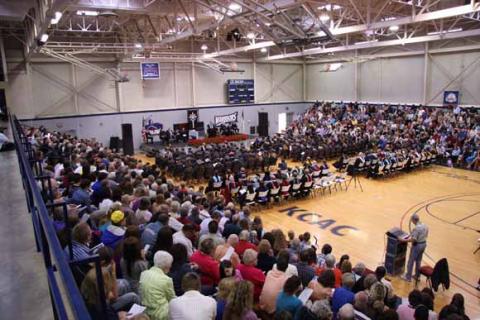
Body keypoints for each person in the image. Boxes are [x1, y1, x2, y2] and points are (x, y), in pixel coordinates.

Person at [139, 250, 176, 320]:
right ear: (167, 266)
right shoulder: (166, 280)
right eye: (170, 264)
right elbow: (172, 299)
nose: (171, 266)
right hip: (161, 315)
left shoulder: (143, 274)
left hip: (146, 311)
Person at [401, 214, 429, 282]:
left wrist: (403, 240)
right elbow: (426, 235)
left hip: (417, 246)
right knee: (418, 261)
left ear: (413, 220)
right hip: (424, 244)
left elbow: (414, 240)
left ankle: (408, 277)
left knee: (411, 261)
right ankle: (417, 275)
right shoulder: (425, 225)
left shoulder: (416, 228)